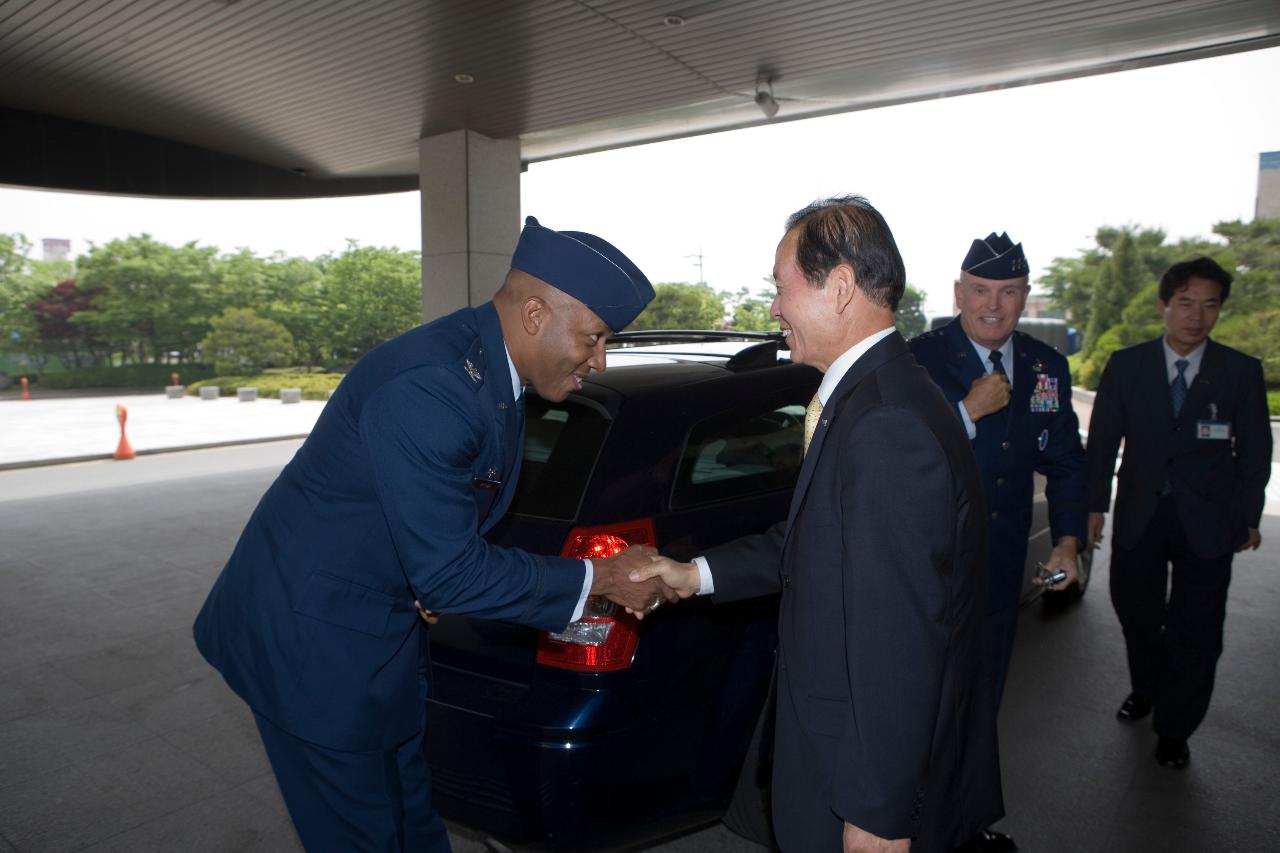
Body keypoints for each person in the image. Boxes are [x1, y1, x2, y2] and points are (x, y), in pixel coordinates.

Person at [193, 216, 666, 852]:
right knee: (361, 833)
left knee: (411, 815)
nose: (599, 361)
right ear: (534, 314)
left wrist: (435, 570)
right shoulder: (435, 384)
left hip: (374, 630)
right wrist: (600, 578)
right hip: (312, 646)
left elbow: (441, 538)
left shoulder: (487, 372)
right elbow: (450, 572)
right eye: (594, 338)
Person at [631, 196, 1003, 853]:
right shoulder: (868, 397)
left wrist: (879, 812)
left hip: (854, 786)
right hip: (827, 756)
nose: (774, 306)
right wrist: (692, 573)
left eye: (781, 287)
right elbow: (809, 547)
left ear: (839, 287)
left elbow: (900, 637)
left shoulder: (888, 424)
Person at [909, 233, 1087, 852]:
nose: (993, 305)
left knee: (982, 703)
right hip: (929, 568)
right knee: (924, 703)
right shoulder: (919, 360)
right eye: (981, 291)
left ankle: (961, 825)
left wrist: (1068, 542)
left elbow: (1066, 460)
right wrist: (966, 410)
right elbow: (897, 457)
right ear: (959, 294)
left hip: (1002, 566)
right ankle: (910, 826)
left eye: (1008, 292)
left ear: (1024, 297)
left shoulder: (1045, 366)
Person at [1086, 256, 1271, 770]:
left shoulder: (1239, 372)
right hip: (1140, 514)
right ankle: (1146, 686)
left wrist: (1249, 516)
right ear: (1164, 305)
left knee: (1197, 629)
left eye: (1209, 305)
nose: (1196, 315)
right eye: (1186, 303)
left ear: (1219, 312)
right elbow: (1101, 443)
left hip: (1208, 523)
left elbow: (1255, 453)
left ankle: (1175, 727)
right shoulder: (1128, 365)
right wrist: (1094, 507)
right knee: (1136, 612)